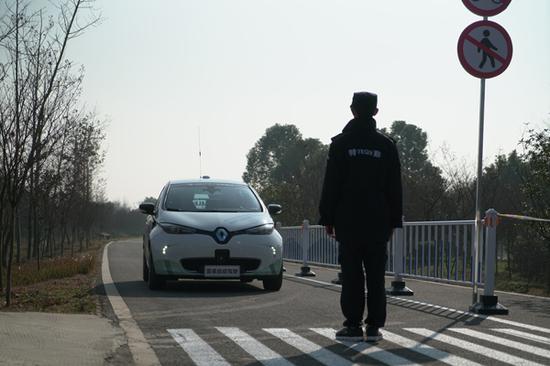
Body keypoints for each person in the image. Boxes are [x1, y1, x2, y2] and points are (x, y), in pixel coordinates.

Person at [319, 91, 403, 342]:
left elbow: (331, 184)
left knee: (352, 275)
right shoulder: (386, 145)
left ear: (352, 110)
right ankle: (375, 326)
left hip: (348, 220)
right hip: (379, 221)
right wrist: (394, 221)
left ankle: (353, 326)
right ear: (375, 112)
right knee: (376, 275)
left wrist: (328, 218)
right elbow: (394, 187)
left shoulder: (341, 144)